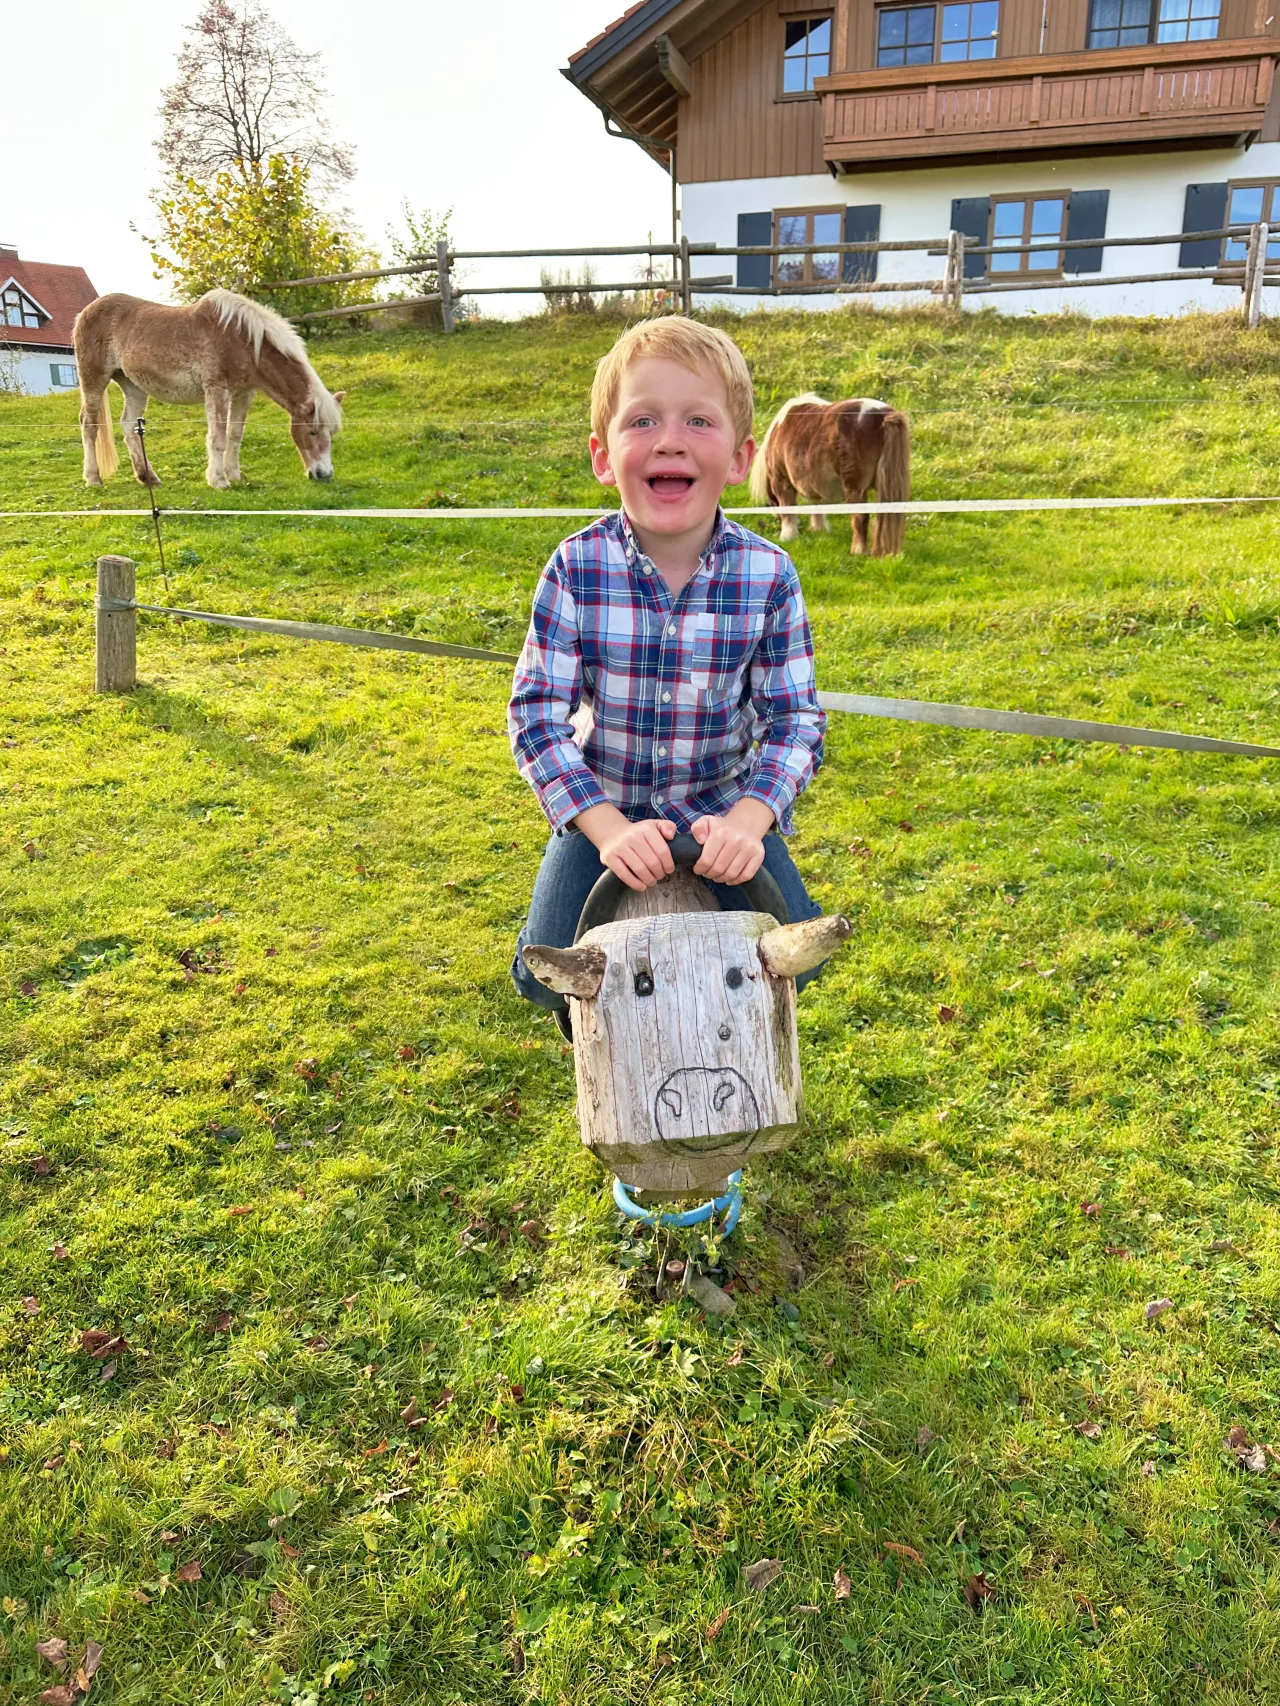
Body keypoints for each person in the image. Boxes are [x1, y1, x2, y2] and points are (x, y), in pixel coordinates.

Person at [507, 316, 828, 1026]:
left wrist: (750, 819)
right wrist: (605, 827)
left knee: (796, 961)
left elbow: (796, 719)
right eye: (643, 419)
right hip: (605, 810)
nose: (671, 439)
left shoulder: (769, 574)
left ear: (742, 457)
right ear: (603, 454)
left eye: (698, 420)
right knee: (543, 972)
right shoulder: (575, 567)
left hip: (722, 817)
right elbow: (535, 716)